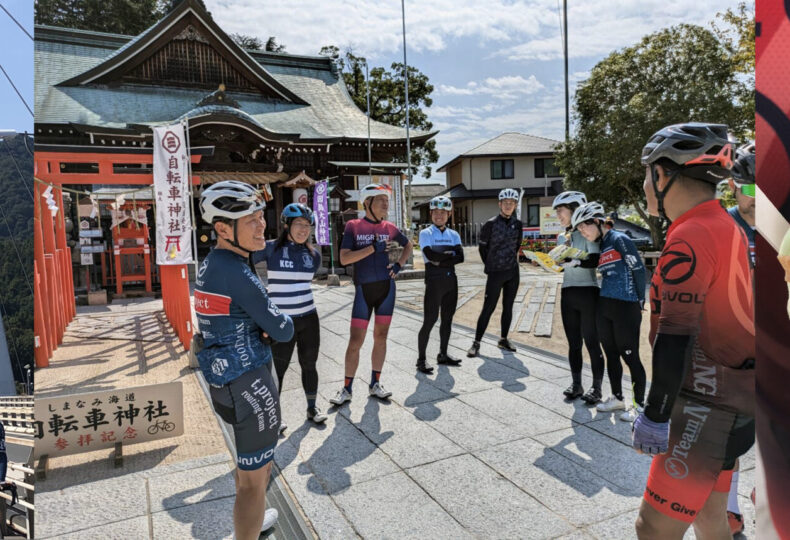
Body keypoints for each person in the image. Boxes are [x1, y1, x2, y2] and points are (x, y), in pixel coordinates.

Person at [632, 123, 754, 539]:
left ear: (663, 175)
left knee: (652, 529)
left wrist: (655, 414)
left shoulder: (691, 235)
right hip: (735, 399)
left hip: (705, 405)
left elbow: (675, 335)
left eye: (647, 174)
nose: (646, 185)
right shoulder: (723, 222)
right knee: (710, 519)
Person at [195, 180, 295, 539]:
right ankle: (247, 533)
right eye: (251, 220)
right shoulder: (237, 272)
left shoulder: (212, 264)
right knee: (254, 482)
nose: (262, 226)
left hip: (226, 382)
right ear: (223, 228)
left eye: (261, 217)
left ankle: (250, 525)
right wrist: (272, 323)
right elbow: (282, 329)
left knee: (246, 470)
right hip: (251, 385)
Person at [329, 184, 413, 404]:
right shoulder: (353, 226)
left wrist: (398, 266)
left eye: (387, 201)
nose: (386, 204)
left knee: (381, 337)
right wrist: (371, 249)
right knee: (356, 340)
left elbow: (409, 245)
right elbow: (344, 258)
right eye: (380, 200)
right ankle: (346, 388)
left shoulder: (390, 227)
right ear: (367, 203)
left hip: (387, 289)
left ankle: (375, 383)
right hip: (363, 290)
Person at [252, 203, 327, 433]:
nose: (304, 229)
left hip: (309, 318)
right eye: (298, 224)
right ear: (287, 225)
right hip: (281, 321)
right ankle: (274, 416)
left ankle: (312, 408)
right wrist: (258, 291)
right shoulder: (271, 248)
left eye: (307, 225)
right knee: (278, 370)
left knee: (309, 364)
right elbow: (245, 264)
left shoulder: (313, 256)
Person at [572, 201, 647, 421]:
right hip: (605, 305)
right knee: (611, 354)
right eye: (578, 230)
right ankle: (616, 398)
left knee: (630, 356)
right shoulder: (602, 245)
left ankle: (640, 405)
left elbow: (638, 269)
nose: (582, 232)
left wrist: (640, 301)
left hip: (626, 305)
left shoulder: (619, 239)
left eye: (584, 226)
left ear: (596, 220)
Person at [721, 141, 755, 536]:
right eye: (749, 190)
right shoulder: (723, 226)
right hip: (734, 357)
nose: (757, 201)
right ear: (734, 185)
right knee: (731, 441)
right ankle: (730, 508)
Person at [552, 191, 606, 403]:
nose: (558, 215)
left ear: (574, 210)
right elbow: (564, 266)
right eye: (556, 212)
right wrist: (555, 263)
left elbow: (594, 259)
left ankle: (597, 388)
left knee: (592, 342)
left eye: (560, 211)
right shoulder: (561, 237)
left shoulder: (586, 233)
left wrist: (575, 261)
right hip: (568, 292)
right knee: (573, 343)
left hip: (588, 292)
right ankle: (576, 384)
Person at [467, 188, 523, 357]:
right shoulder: (490, 224)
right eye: (505, 203)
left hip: (513, 271)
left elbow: (517, 246)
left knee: (508, 306)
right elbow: (482, 248)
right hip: (495, 272)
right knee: (488, 307)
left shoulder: (518, 224)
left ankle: (504, 339)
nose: (508, 206)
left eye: (511, 203)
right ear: (499, 204)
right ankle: (476, 342)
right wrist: (490, 265)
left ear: (515, 205)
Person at [416, 196, 464, 373]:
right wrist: (448, 256)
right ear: (431, 213)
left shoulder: (454, 234)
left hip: (451, 281)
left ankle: (443, 354)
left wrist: (441, 259)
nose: (439, 216)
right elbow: (430, 255)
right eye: (436, 212)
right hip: (434, 282)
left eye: (443, 212)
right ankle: (421, 360)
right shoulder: (425, 233)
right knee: (430, 320)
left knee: (447, 319)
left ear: (449, 214)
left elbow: (461, 257)